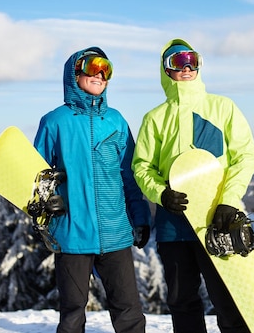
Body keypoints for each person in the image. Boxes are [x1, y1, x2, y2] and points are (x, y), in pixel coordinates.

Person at [131, 38, 254, 333]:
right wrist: (161, 194)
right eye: (178, 61)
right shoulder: (155, 118)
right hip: (173, 225)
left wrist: (229, 199)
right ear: (166, 71)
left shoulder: (222, 107)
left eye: (192, 59)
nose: (186, 67)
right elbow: (142, 167)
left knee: (228, 298)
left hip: (216, 219)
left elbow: (245, 156)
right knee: (182, 300)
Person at [34, 47, 151, 333]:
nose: (99, 74)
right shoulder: (54, 122)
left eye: (106, 69)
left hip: (116, 233)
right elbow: (35, 176)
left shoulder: (116, 121)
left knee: (129, 313)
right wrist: (44, 206)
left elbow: (130, 175)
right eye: (92, 66)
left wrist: (141, 218)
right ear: (74, 73)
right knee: (73, 313)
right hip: (72, 233)